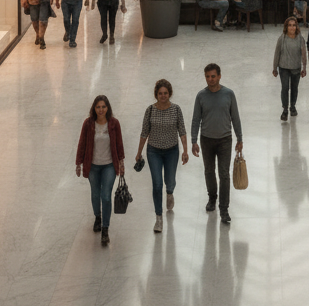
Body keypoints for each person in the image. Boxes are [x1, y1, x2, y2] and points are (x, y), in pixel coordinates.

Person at [190, 63, 243, 224]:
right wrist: (194, 140)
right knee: (209, 171)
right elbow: (196, 120)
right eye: (207, 76)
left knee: (224, 174)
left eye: (213, 76)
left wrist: (240, 138)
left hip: (225, 140)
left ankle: (224, 209)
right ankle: (212, 197)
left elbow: (235, 117)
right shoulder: (201, 96)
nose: (210, 79)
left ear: (219, 76)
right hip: (206, 140)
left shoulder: (229, 94)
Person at [135, 79, 188, 234]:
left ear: (169, 93)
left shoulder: (176, 109)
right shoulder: (150, 110)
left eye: (165, 93)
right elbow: (144, 132)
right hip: (154, 152)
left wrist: (185, 150)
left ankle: (170, 192)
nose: (163, 96)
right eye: (160, 93)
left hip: (172, 151)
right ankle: (158, 218)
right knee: (157, 184)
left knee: (169, 180)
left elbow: (182, 131)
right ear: (156, 95)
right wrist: (139, 152)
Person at [75, 95, 125, 246]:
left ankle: (105, 228)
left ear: (108, 108)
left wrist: (121, 162)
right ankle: (98, 216)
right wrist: (78, 163)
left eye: (103, 107)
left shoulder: (114, 124)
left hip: (109, 165)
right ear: (94, 109)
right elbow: (82, 144)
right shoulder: (88, 124)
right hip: (93, 166)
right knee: (95, 194)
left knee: (106, 196)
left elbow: (119, 144)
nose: (101, 110)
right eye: (98, 107)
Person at [273, 16, 308, 120]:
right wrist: (275, 68)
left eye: (294, 25)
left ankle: (293, 106)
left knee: (294, 88)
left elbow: (303, 54)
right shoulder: (282, 38)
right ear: (286, 27)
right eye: (290, 25)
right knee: (285, 88)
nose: (292, 28)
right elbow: (277, 54)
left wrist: (304, 67)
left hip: (296, 68)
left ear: (296, 27)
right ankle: (285, 109)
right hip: (283, 67)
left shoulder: (300, 39)